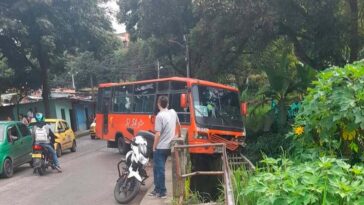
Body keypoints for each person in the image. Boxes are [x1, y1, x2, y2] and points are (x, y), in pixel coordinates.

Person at [149, 96, 181, 198]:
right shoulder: (173, 112)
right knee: (156, 168)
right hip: (169, 146)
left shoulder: (159, 116)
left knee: (160, 169)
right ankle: (157, 189)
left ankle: (162, 192)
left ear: (158, 104)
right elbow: (179, 125)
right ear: (167, 104)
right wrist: (179, 136)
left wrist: (154, 147)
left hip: (161, 147)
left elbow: (157, 134)